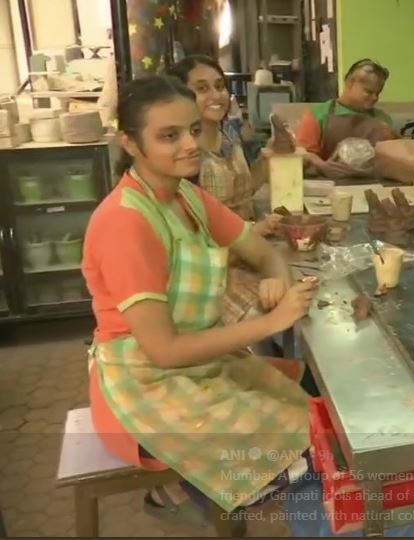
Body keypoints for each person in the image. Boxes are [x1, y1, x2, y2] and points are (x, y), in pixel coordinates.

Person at [82, 75, 318, 525]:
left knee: (314, 415)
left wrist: (278, 281)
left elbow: (264, 251)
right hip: (145, 385)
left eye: (192, 130)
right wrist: (273, 322)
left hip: (196, 365)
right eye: (169, 136)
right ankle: (190, 492)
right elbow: (163, 350)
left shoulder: (186, 196)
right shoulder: (124, 222)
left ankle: (214, 495)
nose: (190, 144)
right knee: (308, 453)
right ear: (129, 143)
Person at [169, 56, 284, 328]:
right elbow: (191, 237)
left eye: (219, 86)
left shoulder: (230, 135)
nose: (216, 95)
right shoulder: (185, 155)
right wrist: (251, 233)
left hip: (248, 249)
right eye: (202, 88)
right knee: (273, 315)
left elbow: (245, 187)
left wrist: (271, 158)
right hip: (214, 269)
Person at [295, 58, 396, 179]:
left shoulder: (382, 119)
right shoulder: (318, 114)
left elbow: (394, 158)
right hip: (329, 185)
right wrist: (322, 166)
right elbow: (303, 153)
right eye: (368, 92)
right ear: (350, 83)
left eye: (378, 93)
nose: (374, 98)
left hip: (374, 184)